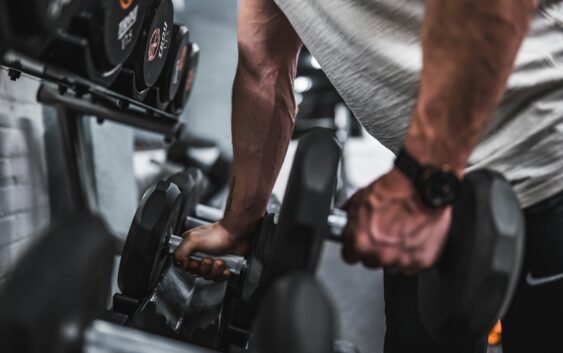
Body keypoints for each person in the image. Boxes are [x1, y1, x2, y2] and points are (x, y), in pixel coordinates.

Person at [174, 0, 563, 351]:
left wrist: (422, 180)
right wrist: (240, 223)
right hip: (440, 185)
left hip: (545, 164)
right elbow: (264, 70)